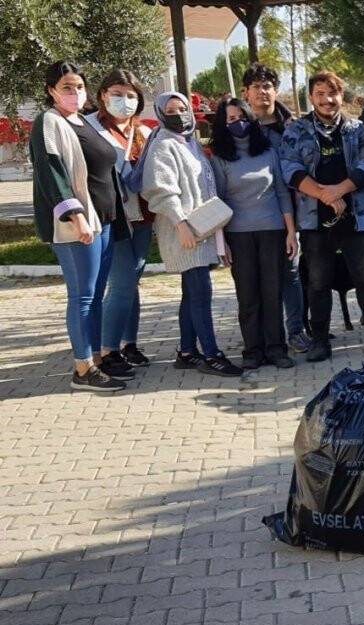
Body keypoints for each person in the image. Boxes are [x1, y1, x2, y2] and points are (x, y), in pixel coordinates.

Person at [280, 71, 364, 362]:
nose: (327, 100)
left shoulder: (357, 129)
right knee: (318, 282)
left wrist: (340, 191)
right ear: (311, 98)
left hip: (356, 218)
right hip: (313, 220)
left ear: (341, 96)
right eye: (320, 94)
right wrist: (323, 195)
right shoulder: (297, 130)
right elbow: (289, 168)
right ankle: (320, 340)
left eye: (332, 94)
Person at [31, 61, 127, 390]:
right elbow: (51, 169)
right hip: (77, 224)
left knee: (96, 294)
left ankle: (96, 358)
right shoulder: (49, 121)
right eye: (67, 88)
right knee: (82, 296)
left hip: (102, 221)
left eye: (79, 87)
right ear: (51, 91)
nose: (75, 93)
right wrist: (76, 216)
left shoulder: (81, 122)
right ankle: (83, 369)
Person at [140, 92, 243, 377]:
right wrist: (181, 224)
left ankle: (186, 351)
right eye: (171, 110)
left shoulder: (189, 142)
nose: (178, 115)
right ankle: (212, 355)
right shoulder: (163, 144)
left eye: (182, 109)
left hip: (201, 229)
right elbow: (160, 190)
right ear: (161, 114)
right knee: (200, 292)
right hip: (183, 231)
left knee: (192, 292)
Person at [209, 98, 297, 369]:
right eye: (231, 119)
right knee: (247, 295)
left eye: (242, 117)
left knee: (273, 292)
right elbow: (219, 201)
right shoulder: (220, 158)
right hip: (239, 234)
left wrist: (291, 232)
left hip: (272, 230)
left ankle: (276, 348)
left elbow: (282, 192)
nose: (238, 123)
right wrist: (223, 243)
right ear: (223, 124)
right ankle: (252, 350)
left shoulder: (269, 151)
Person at [242, 63, 310, 354]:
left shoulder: (294, 127)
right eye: (256, 86)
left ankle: (297, 330)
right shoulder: (241, 129)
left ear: (276, 90)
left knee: (292, 272)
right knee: (258, 277)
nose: (262, 91)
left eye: (267, 86)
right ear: (246, 93)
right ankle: (264, 336)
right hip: (254, 215)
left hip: (293, 209)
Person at [89, 69, 154, 373]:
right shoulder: (88, 128)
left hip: (141, 217)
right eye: (116, 93)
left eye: (130, 96)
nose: (124, 101)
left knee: (132, 283)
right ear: (102, 95)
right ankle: (108, 349)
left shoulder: (143, 133)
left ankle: (129, 344)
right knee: (123, 283)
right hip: (110, 217)